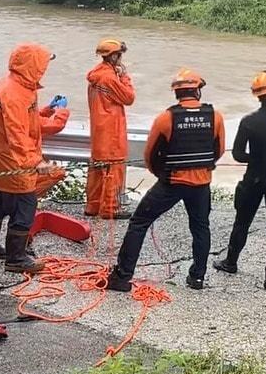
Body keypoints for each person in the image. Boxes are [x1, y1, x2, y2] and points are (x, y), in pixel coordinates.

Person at [107, 69, 225, 293]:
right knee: (201, 228)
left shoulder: (166, 118)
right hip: (201, 184)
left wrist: (162, 175)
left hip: (171, 182)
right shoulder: (215, 116)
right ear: (197, 91)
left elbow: (150, 155)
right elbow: (217, 151)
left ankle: (122, 276)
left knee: (139, 222)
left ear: (177, 94)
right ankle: (197, 277)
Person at [0, 44, 70, 273]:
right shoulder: (15, 93)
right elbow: (17, 134)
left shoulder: (15, 86)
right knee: (25, 207)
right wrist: (35, 163)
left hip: (4, 161)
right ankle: (16, 258)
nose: (45, 69)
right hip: (14, 163)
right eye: (43, 65)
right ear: (32, 66)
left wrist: (48, 110)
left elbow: (26, 121)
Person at [213, 71, 266, 291]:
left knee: (242, 221)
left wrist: (257, 158)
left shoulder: (249, 121)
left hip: (254, 179)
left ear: (257, 95)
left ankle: (230, 262)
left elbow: (239, 154)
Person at [86, 39, 136, 220]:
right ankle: (110, 208)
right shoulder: (109, 78)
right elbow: (129, 97)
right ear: (114, 56)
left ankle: (93, 205)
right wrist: (124, 76)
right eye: (119, 55)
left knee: (98, 168)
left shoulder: (96, 75)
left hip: (99, 130)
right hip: (111, 131)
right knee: (113, 168)